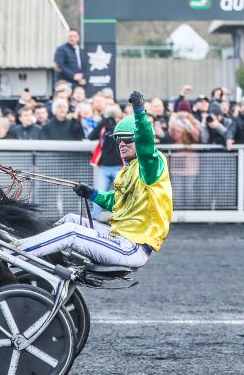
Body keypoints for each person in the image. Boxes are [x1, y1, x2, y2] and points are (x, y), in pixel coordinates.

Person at [15, 91, 172, 268]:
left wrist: (139, 111)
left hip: (132, 247)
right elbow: (118, 202)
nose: (121, 144)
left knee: (72, 232)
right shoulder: (127, 170)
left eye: (127, 139)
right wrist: (93, 194)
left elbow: (146, 143)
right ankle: (40, 253)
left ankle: (13, 253)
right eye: (118, 139)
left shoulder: (153, 164)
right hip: (119, 237)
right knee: (71, 220)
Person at [88, 105, 124, 220]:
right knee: (99, 194)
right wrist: (103, 122)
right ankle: (94, 218)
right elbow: (91, 136)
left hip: (119, 167)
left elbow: (119, 139)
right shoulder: (103, 128)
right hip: (104, 167)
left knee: (121, 194)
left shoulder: (121, 127)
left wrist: (114, 126)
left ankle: (120, 218)